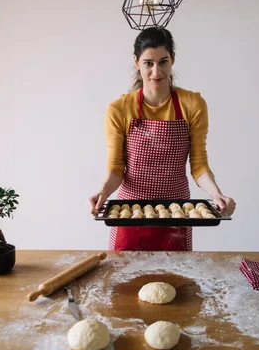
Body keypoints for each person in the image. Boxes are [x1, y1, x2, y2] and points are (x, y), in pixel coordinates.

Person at [88, 26, 236, 251]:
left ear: (173, 60)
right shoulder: (119, 109)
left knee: (176, 282)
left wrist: (217, 194)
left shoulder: (192, 105)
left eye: (163, 61)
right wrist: (103, 192)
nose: (156, 72)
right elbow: (116, 168)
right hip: (130, 214)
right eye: (148, 63)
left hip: (177, 216)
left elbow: (198, 165)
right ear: (137, 62)